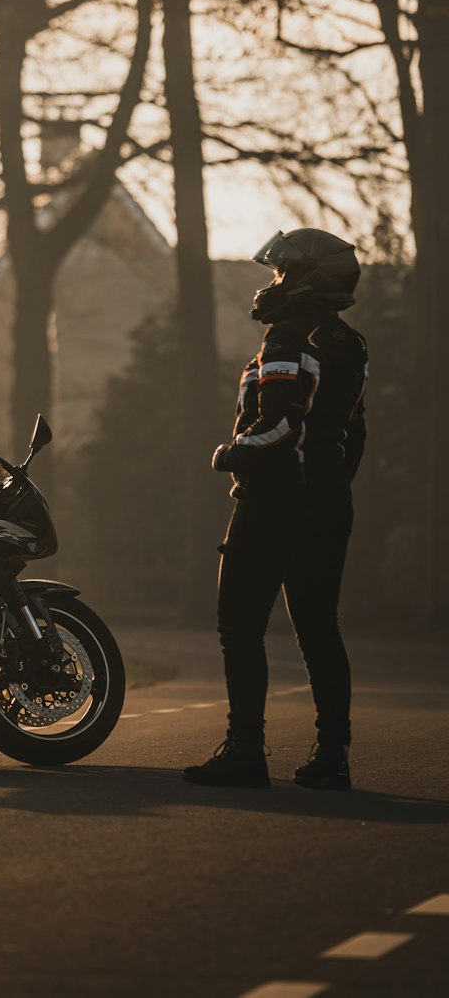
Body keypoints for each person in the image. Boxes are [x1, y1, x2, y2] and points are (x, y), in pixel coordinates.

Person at [182, 228, 368, 791]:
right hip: (330, 502)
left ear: (310, 277)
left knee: (239, 626)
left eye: (283, 272)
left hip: (273, 502)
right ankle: (333, 757)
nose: (275, 282)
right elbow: (353, 435)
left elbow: (281, 426)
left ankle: (245, 751)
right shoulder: (352, 344)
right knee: (319, 629)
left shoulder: (286, 338)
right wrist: (327, 487)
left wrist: (229, 454)